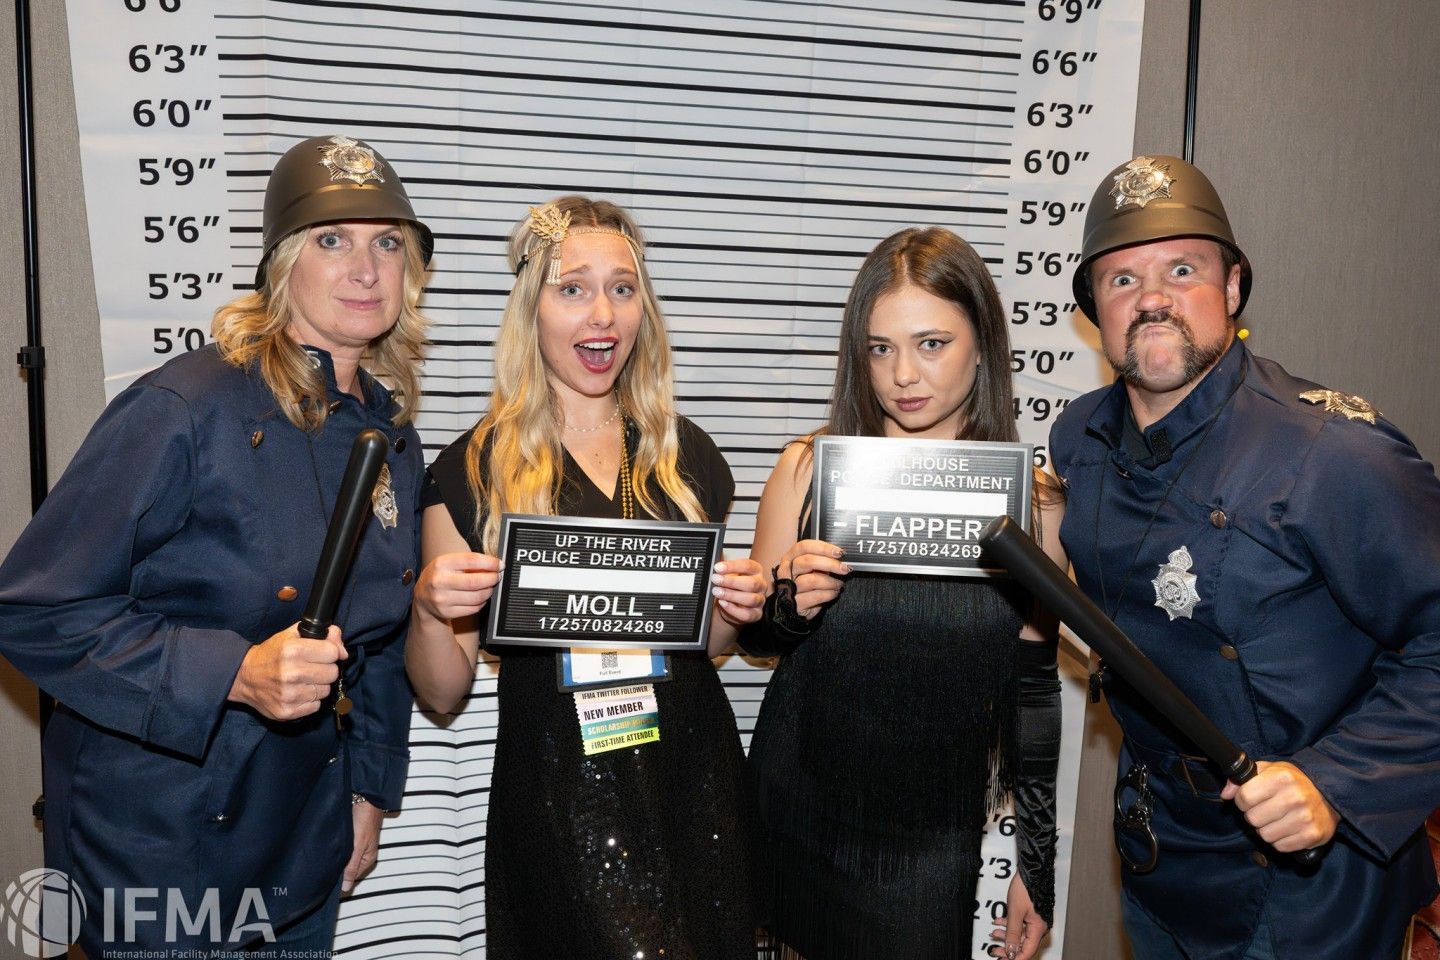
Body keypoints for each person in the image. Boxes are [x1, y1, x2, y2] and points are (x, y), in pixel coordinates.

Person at [0, 134, 432, 956]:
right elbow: (31, 608)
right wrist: (232, 671)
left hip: (301, 840)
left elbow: (376, 638)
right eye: (331, 241)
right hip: (158, 848)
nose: (365, 269)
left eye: (387, 242)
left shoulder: (391, 434)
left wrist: (371, 790)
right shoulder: (185, 407)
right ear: (281, 267)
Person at [1051, 154, 1440, 960]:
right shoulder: (1078, 438)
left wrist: (1335, 781)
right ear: (1095, 311)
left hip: (1312, 882)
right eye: (1121, 281)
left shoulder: (1333, 455)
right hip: (1162, 854)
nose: (1151, 298)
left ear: (1232, 289)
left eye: (1181, 269)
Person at [404, 196, 765, 960]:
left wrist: (738, 605)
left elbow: (713, 644)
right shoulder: (470, 471)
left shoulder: (686, 455)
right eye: (572, 288)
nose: (602, 314)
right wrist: (433, 612)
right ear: (530, 309)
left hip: (692, 782)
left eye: (623, 288)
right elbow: (442, 693)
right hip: (560, 797)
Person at [743, 227, 1064, 960]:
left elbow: (1034, 692)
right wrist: (789, 603)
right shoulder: (807, 470)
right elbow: (761, 638)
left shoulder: (1033, 508)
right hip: (797, 807)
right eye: (880, 348)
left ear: (982, 345)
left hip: (929, 839)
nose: (902, 376)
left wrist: (1036, 866)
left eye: (932, 344)